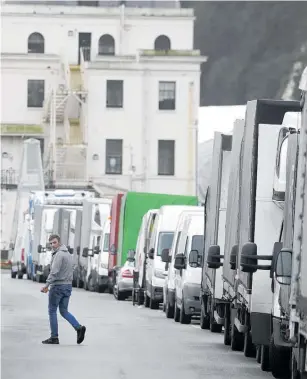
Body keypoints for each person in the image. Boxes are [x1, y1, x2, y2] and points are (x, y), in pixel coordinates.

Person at [40, 234, 86, 345]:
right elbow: (73, 267)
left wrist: (47, 285)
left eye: (54, 242)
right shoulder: (68, 254)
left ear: (59, 242)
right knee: (64, 311)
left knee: (52, 311)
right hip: (67, 286)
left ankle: (54, 337)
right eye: (50, 243)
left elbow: (54, 271)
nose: (52, 245)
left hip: (58, 287)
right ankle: (78, 328)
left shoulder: (59, 255)